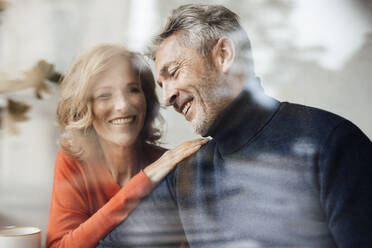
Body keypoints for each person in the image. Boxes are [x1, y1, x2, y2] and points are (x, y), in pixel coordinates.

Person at [99, 4, 372, 248]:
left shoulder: (332, 144)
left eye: (173, 73)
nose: (167, 97)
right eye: (162, 84)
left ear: (224, 55)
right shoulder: (186, 177)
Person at [46, 44, 208, 248]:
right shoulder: (73, 163)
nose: (123, 105)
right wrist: (145, 180)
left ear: (146, 99)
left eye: (133, 90)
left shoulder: (172, 166)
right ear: (84, 107)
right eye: (105, 95)